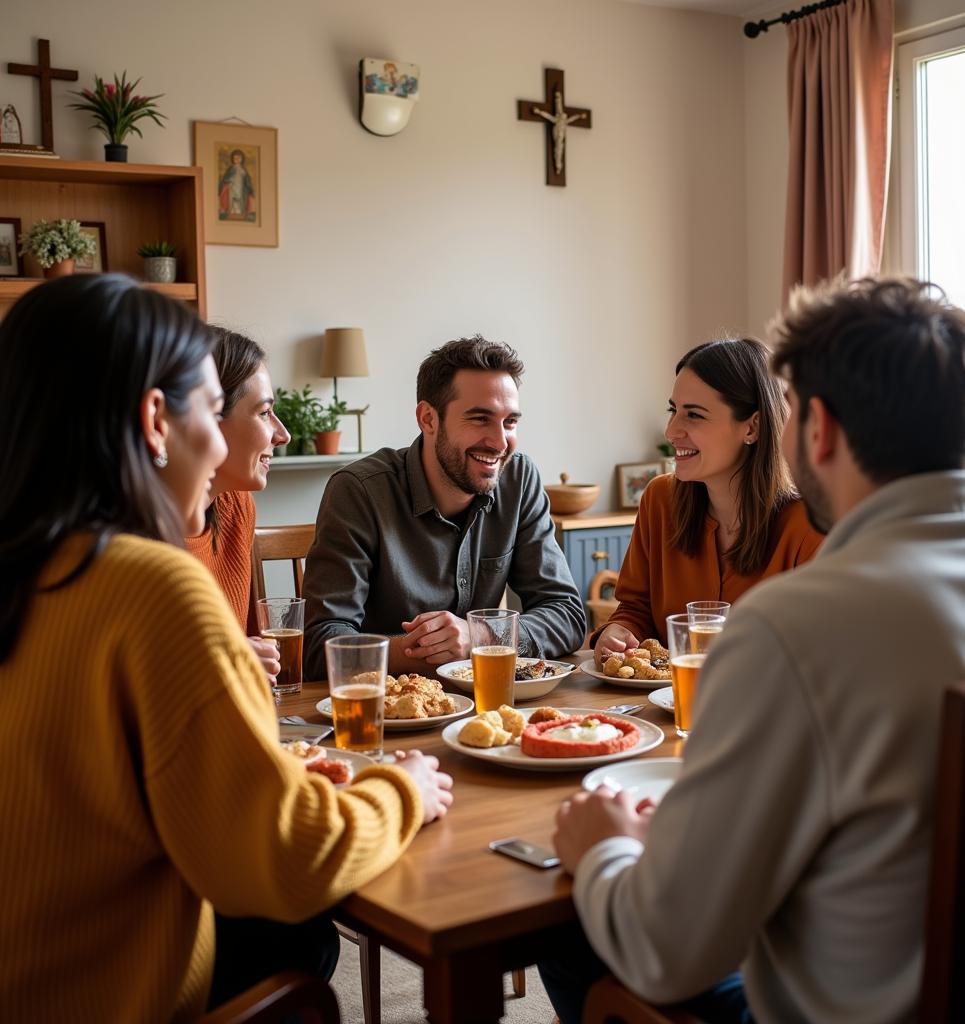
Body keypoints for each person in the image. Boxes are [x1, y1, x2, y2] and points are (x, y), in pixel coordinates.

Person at [540, 276, 965, 1024]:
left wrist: (605, 847)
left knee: (574, 927)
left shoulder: (793, 629)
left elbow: (665, 952)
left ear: (817, 428)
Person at [0, 274, 453, 1019]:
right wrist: (404, 788)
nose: (221, 445)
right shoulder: (153, 587)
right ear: (155, 420)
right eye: (214, 411)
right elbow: (286, 861)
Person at [303, 334, 587, 680]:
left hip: (490, 709)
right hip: (388, 713)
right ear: (428, 419)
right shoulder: (359, 491)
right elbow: (319, 645)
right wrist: (424, 647)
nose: (500, 442)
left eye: (510, 422)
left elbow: (567, 614)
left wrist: (480, 637)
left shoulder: (519, 479)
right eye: (480, 418)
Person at [594, 336, 822, 664]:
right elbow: (636, 609)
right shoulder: (659, 501)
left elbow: (816, 660)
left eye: (694, 415)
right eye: (673, 410)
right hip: (662, 712)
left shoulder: (809, 525)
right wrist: (617, 632)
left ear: (752, 427)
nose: (672, 431)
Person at [185, 326, 289, 681]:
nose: (282, 434)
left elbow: (247, 649)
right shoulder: (132, 536)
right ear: (207, 418)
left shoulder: (236, 506)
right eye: (263, 413)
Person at [219, 148, 255, 221]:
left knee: (240, 201)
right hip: (232, 187)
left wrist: (249, 188)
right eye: (235, 158)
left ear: (242, 159)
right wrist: (227, 182)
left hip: (241, 188)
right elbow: (225, 178)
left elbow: (247, 180)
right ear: (232, 159)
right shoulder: (231, 169)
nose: (237, 159)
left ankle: (240, 214)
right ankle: (232, 214)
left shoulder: (243, 170)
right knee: (232, 200)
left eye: (239, 158)